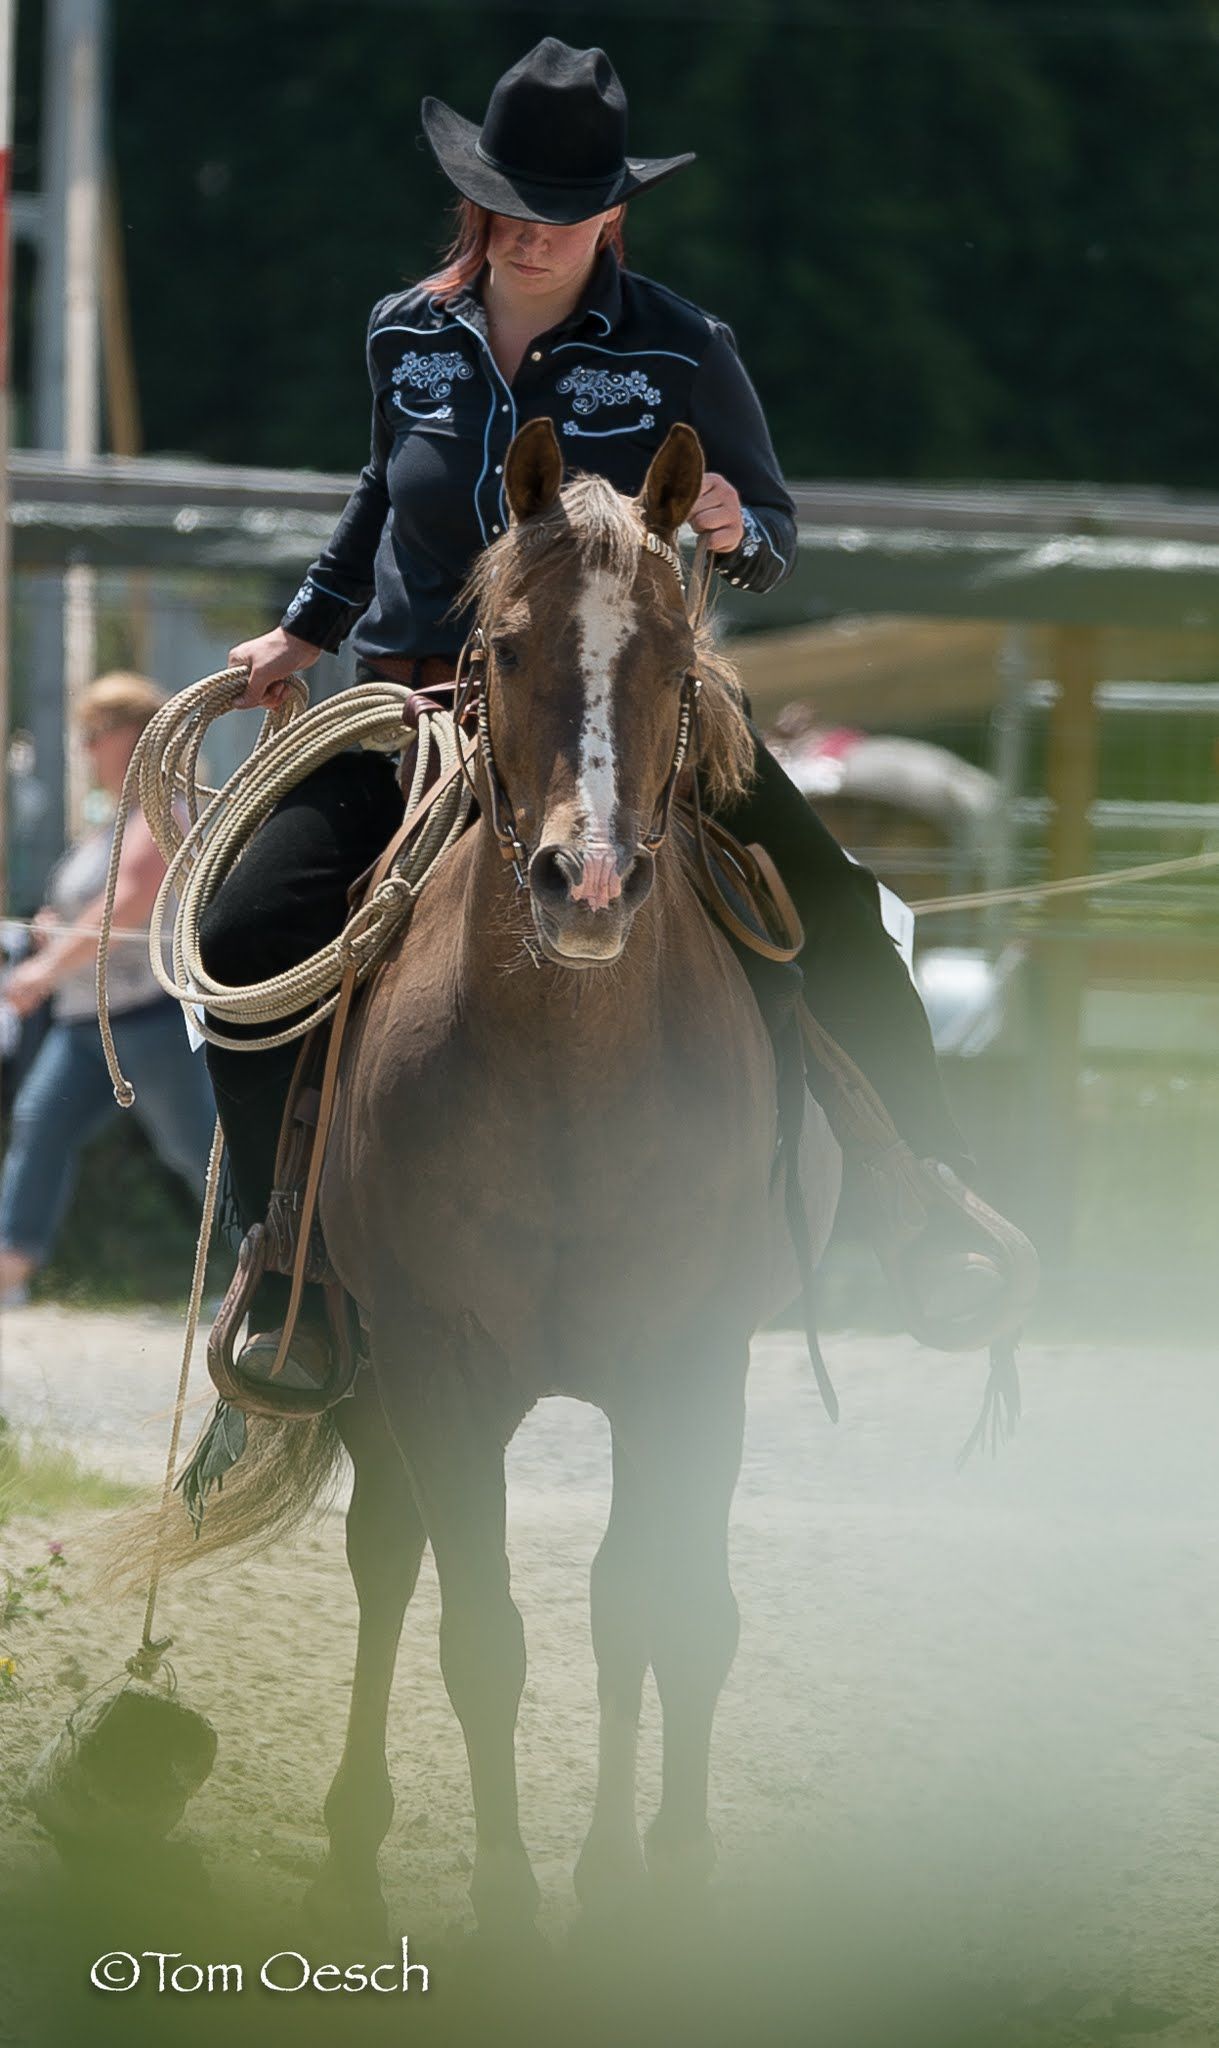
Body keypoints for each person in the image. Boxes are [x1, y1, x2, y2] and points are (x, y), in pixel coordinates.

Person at [202, 39, 970, 1387]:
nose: (527, 233)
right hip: (418, 699)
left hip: (631, 702)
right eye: (504, 205)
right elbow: (382, 490)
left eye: (558, 212)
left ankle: (928, 1212)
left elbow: (769, 524)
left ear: (611, 212)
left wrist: (734, 529)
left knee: (839, 916)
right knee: (244, 935)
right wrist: (305, 630)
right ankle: (290, 1266)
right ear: (472, 199)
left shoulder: (684, 345)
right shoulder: (406, 331)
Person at [0, 674, 217, 1305]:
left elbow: (127, 902)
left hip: (150, 1018)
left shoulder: (164, 810)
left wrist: (44, 970)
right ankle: (10, 1267)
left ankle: (288, 1271)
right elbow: (91, 907)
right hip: (87, 1021)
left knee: (198, 1151)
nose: (86, 748)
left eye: (97, 732)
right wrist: (54, 929)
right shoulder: (112, 822)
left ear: (136, 735)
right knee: (41, 1123)